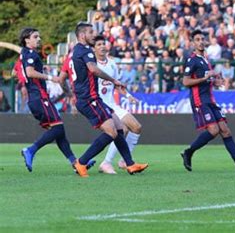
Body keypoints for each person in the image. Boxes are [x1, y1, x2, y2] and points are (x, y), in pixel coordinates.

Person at [68, 23, 148, 177]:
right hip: (89, 99)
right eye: (91, 32)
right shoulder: (85, 51)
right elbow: (93, 69)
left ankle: (130, 164)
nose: (94, 34)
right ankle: (82, 162)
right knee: (111, 132)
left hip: (92, 98)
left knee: (118, 127)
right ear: (83, 35)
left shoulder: (77, 51)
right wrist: (114, 80)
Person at [180, 30, 235, 173]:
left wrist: (213, 81)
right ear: (193, 43)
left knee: (225, 130)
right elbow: (185, 81)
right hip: (199, 100)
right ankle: (189, 152)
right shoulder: (192, 60)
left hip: (210, 99)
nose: (201, 41)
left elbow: (205, 79)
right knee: (214, 130)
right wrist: (204, 79)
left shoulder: (206, 60)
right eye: (197, 39)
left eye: (203, 39)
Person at [18, 28, 87, 173]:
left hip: (36, 98)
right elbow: (30, 73)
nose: (39, 39)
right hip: (39, 97)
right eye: (35, 37)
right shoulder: (30, 53)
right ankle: (30, 150)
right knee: (58, 128)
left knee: (59, 132)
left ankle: (76, 163)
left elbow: (20, 72)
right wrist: (51, 78)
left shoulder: (24, 54)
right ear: (27, 40)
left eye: (39, 36)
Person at [91, 35, 144, 175]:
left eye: (104, 44)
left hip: (112, 104)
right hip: (100, 105)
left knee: (135, 128)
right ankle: (110, 163)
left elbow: (117, 84)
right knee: (124, 130)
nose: (102, 46)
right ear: (93, 48)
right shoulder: (91, 65)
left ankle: (122, 161)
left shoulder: (112, 64)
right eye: (99, 44)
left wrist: (128, 96)